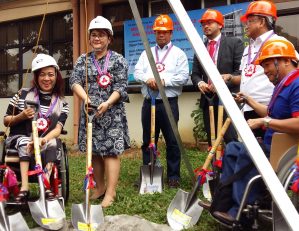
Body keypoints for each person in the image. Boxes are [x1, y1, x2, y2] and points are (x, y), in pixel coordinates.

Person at [212, 39, 299, 224]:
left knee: (247, 152)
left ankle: (241, 213)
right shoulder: (282, 85)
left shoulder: (297, 84)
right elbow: (270, 112)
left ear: (284, 60)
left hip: (284, 152)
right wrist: (249, 100)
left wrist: (265, 122)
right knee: (233, 148)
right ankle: (225, 203)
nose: (265, 70)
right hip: (271, 145)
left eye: (267, 65)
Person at [70, 16, 130, 207]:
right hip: (90, 114)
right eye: (93, 35)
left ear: (109, 39)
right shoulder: (83, 60)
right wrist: (86, 99)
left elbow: (121, 87)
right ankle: (100, 188)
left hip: (111, 113)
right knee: (94, 151)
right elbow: (74, 81)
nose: (97, 39)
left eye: (101, 35)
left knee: (111, 152)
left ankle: (111, 193)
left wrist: (107, 103)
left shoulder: (118, 60)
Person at [4, 53, 69, 203]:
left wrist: (42, 140)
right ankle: (24, 188)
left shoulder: (62, 103)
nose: (47, 78)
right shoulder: (22, 94)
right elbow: (6, 120)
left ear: (56, 76)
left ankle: (45, 186)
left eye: (51, 74)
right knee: (25, 141)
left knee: (54, 143)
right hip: (19, 137)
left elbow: (58, 130)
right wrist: (21, 116)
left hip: (44, 139)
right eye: (42, 75)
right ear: (36, 76)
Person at [134, 14, 189, 188]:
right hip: (149, 102)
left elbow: (183, 77)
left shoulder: (179, 54)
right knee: (148, 140)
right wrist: (148, 79)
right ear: (155, 33)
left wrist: (164, 82)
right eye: (158, 32)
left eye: (165, 32)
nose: (161, 35)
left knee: (172, 140)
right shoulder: (146, 52)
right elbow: (136, 72)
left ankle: (174, 176)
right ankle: (149, 172)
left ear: (171, 33)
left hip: (168, 103)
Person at [228, 0, 286, 139]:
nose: (245, 25)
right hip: (248, 107)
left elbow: (294, 73)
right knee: (251, 154)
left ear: (261, 21)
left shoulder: (279, 43)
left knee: (267, 153)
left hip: (267, 109)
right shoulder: (248, 48)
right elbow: (245, 76)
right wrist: (230, 77)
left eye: (249, 21)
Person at [191, 9, 244, 146]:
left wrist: (225, 80)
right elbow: (195, 74)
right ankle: (215, 168)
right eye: (203, 24)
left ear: (220, 25)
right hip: (208, 99)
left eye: (210, 22)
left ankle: (232, 167)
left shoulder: (234, 43)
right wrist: (200, 82)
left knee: (231, 141)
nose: (206, 26)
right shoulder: (200, 48)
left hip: (228, 100)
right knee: (212, 142)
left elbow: (240, 73)